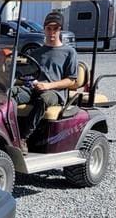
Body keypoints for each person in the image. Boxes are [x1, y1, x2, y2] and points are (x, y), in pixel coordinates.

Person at [15, 10, 78, 145]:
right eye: (49, 28)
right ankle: (7, 131)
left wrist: (48, 85)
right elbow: (29, 73)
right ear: (44, 29)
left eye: (55, 28)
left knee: (43, 99)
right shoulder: (37, 52)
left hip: (55, 92)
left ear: (60, 30)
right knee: (10, 94)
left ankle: (23, 137)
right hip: (34, 88)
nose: (52, 32)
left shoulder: (69, 52)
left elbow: (71, 80)